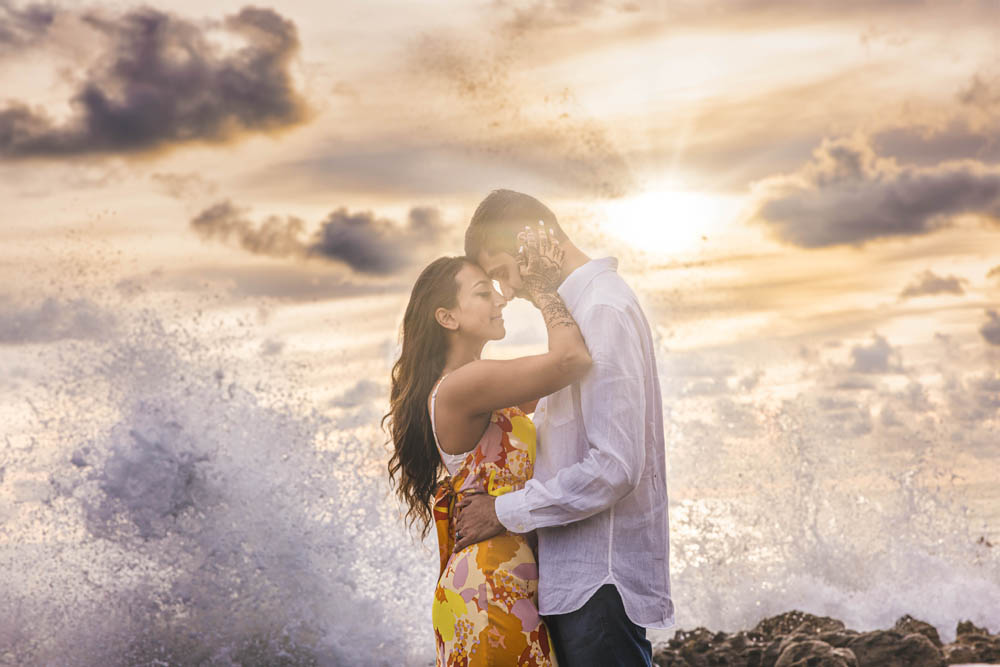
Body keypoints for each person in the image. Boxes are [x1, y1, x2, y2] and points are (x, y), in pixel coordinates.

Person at [455, 189, 674, 666]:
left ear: (532, 242)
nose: (507, 292)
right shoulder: (580, 312)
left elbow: (614, 467)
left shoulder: (601, 309)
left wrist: (502, 511)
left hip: (596, 582)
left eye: (502, 273)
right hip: (582, 584)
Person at [384, 224, 590, 665]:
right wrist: (542, 287)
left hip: (501, 584)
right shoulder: (466, 385)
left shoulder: (481, 385)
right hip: (489, 591)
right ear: (447, 318)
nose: (500, 300)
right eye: (483, 292)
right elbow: (571, 360)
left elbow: (563, 382)